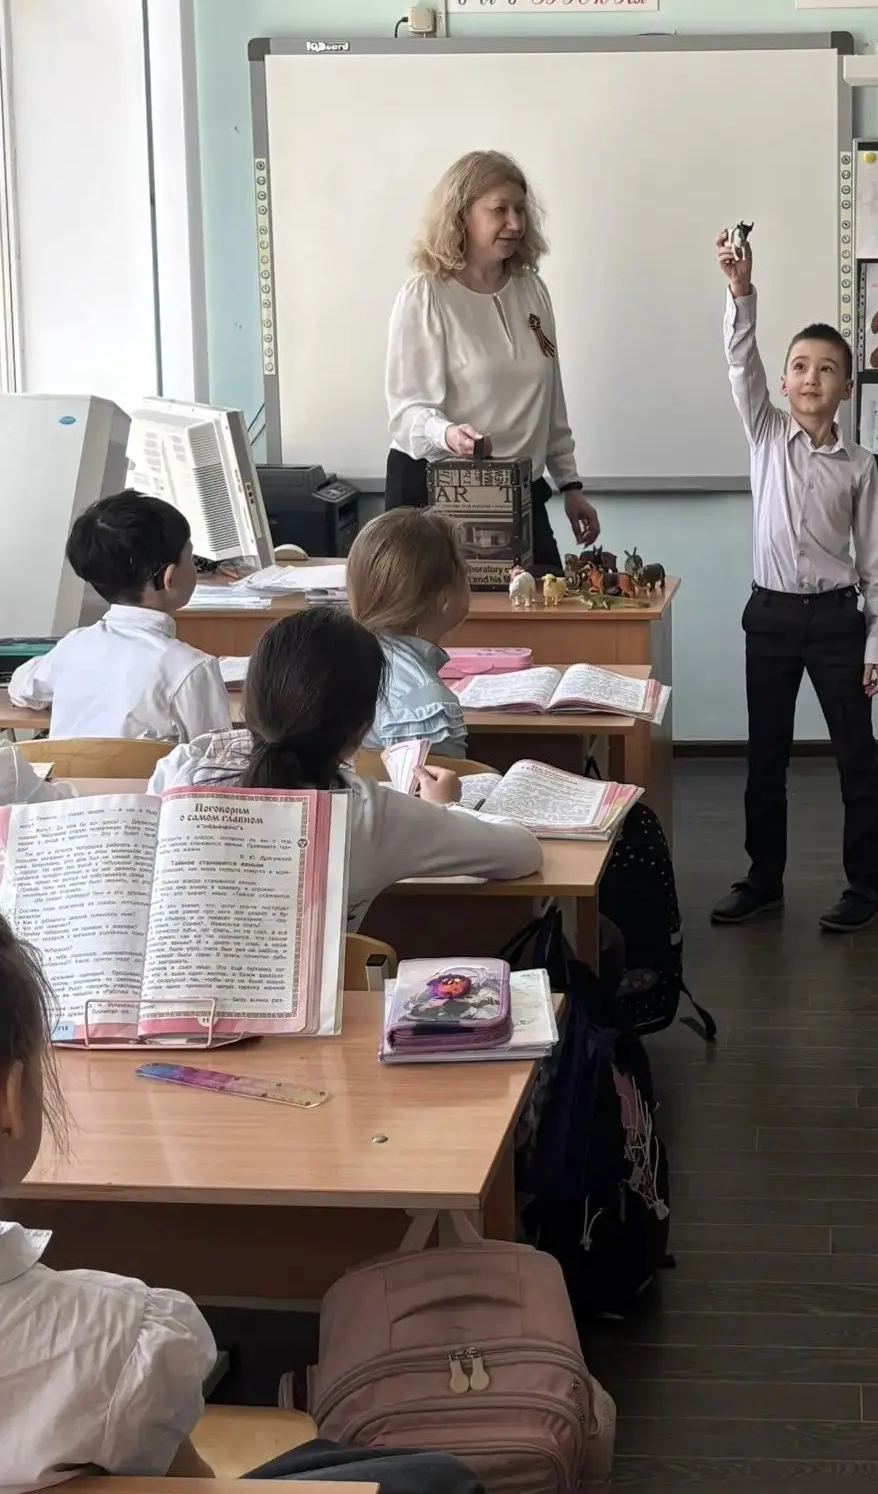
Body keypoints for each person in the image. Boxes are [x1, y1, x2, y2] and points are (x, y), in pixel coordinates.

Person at [0, 911, 483, 1493]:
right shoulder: (105, 1338)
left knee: (341, 1462)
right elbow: (195, 1487)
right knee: (437, 1480)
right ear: (10, 1100)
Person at [709, 229, 878, 933]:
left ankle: (866, 888)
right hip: (771, 618)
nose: (811, 378)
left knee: (855, 758)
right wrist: (740, 292)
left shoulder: (860, 465)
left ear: (846, 387)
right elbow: (739, 360)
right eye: (799, 367)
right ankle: (763, 879)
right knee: (766, 758)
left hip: (839, 621)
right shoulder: (764, 434)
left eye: (826, 369)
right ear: (782, 384)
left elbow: (874, 562)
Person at [149, 606, 541, 927]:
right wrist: (445, 808)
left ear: (247, 704)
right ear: (364, 727)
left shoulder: (182, 770)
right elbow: (522, 851)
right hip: (315, 1004)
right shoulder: (369, 814)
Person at [384, 150, 599, 578]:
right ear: (461, 216)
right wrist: (447, 435)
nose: (515, 224)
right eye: (499, 210)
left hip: (518, 491)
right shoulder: (425, 295)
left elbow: (550, 400)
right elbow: (407, 412)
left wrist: (570, 485)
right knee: (448, 615)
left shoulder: (532, 290)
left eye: (520, 210)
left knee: (546, 608)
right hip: (435, 498)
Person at [8, 490, 230, 742]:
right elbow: (216, 758)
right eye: (190, 557)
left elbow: (20, 687)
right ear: (169, 578)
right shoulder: (193, 669)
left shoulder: (74, 647)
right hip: (155, 771)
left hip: (66, 769)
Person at [347, 508, 470, 760]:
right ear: (444, 599)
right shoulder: (429, 705)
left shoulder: (344, 660)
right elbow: (438, 786)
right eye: (465, 572)